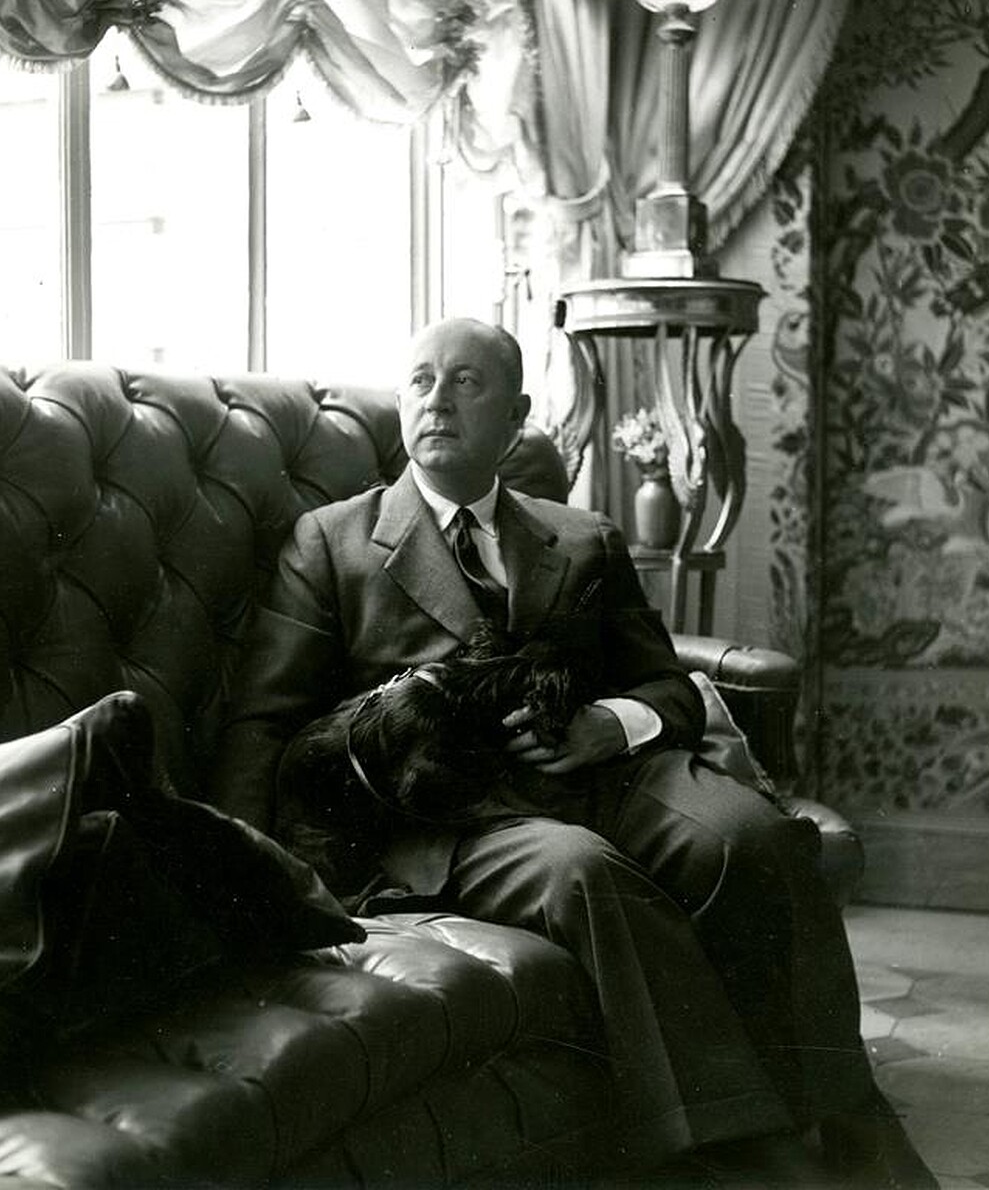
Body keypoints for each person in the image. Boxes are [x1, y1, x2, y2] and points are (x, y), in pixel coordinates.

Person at [221, 317, 937, 1187]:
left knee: (751, 838)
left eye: (466, 383)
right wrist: (252, 887)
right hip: (458, 817)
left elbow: (671, 690)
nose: (437, 401)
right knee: (582, 873)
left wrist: (611, 723)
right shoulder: (331, 542)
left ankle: (846, 1111)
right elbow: (264, 723)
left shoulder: (583, 538)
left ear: (518, 416)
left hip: (611, 776)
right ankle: (740, 1150)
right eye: (420, 382)